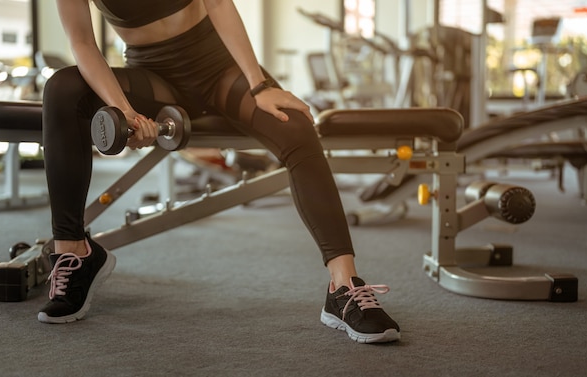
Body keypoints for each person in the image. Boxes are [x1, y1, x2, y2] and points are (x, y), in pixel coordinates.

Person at [40, 0, 400, 343]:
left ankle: (343, 286)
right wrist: (124, 112)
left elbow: (219, 5)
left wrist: (259, 85)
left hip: (218, 69)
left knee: (293, 125)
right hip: (152, 77)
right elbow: (83, 43)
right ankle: (75, 252)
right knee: (62, 87)